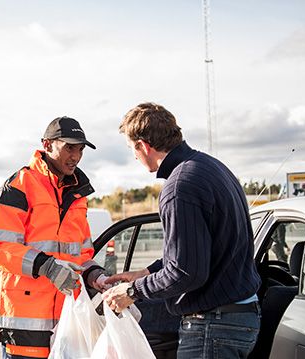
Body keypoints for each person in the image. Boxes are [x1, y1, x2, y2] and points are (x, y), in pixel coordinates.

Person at [102, 103, 261, 358]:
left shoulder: (179, 186)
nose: (133, 156)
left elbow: (186, 272)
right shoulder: (211, 167)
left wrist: (133, 292)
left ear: (144, 146)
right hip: (238, 318)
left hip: (211, 327)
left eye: (132, 149)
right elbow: (196, 252)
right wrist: (146, 273)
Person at [0, 116, 109, 359]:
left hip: (67, 320)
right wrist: (48, 266)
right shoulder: (19, 186)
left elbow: (82, 253)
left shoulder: (78, 196)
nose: (75, 156)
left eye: (80, 149)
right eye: (69, 147)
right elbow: (0, 247)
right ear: (47, 144)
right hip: (25, 323)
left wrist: (96, 276)